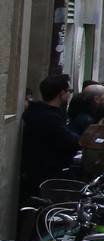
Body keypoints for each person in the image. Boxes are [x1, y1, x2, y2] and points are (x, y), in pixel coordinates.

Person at [19, 75, 78, 209]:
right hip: (47, 173)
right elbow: (69, 140)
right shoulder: (50, 118)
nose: (69, 94)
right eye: (69, 91)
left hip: (38, 170)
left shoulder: (39, 113)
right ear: (61, 93)